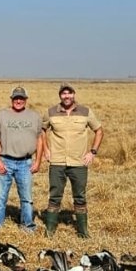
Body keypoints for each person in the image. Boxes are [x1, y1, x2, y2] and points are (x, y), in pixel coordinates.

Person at [41, 83, 103, 238]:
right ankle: (49, 230)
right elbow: (42, 130)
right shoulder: (50, 112)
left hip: (79, 162)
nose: (66, 96)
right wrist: (46, 150)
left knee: (80, 196)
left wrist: (92, 152)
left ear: (74, 94)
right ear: (60, 96)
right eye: (63, 94)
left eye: (69, 93)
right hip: (57, 162)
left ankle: (83, 232)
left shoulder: (86, 112)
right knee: (55, 195)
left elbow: (99, 131)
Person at [0, 86, 44, 232]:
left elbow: (40, 139)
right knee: (0, 198)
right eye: (15, 98)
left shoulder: (35, 116)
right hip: (5, 161)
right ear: (11, 99)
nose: (18, 101)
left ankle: (27, 226)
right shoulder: (2, 115)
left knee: (26, 198)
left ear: (26, 100)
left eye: (21, 98)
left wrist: (38, 161)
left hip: (25, 163)